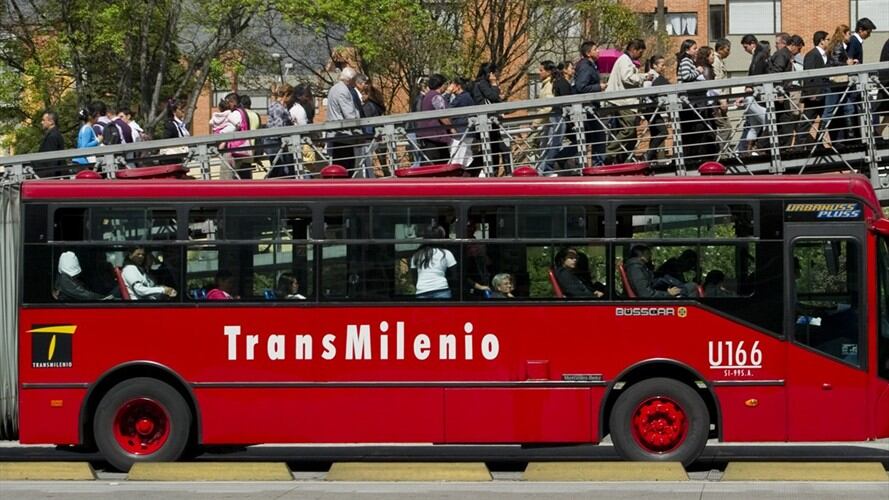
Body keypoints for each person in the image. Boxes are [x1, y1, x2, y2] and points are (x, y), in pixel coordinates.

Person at [604, 39, 651, 163]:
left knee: (631, 135)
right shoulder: (625, 60)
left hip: (623, 100)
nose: (640, 55)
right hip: (622, 101)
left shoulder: (625, 60)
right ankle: (609, 153)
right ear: (634, 50)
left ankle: (624, 160)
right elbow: (628, 78)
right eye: (640, 52)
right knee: (629, 130)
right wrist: (644, 76)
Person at [472, 62, 511, 175]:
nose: (497, 76)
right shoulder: (482, 83)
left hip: (491, 122)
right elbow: (493, 97)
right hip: (486, 123)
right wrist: (494, 85)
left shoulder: (482, 84)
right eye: (496, 73)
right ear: (490, 73)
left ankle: (496, 174)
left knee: (496, 149)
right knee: (497, 149)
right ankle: (502, 174)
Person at [574, 41, 605, 166]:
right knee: (598, 136)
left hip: (590, 107)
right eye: (595, 49)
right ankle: (597, 165)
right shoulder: (585, 66)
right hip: (586, 108)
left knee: (591, 137)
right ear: (588, 53)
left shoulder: (591, 66)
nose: (598, 51)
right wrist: (599, 87)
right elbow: (581, 87)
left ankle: (594, 164)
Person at [798, 31, 831, 148]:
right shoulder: (812, 55)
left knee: (825, 120)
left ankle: (819, 144)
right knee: (806, 123)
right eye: (828, 39)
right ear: (821, 41)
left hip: (824, 95)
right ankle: (799, 147)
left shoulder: (826, 55)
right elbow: (808, 76)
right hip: (814, 96)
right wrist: (811, 93)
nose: (829, 42)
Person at [326, 66, 361, 172]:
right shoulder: (343, 91)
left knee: (339, 168)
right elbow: (350, 115)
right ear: (350, 79)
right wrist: (359, 132)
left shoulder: (334, 88)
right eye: (354, 80)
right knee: (346, 168)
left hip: (337, 135)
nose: (355, 83)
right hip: (343, 136)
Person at [410, 223, 456, 299]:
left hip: (422, 291)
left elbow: (414, 278)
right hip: (442, 290)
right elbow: (455, 276)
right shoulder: (446, 253)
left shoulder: (416, 255)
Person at [417, 73, 456, 163]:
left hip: (427, 134)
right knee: (440, 160)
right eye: (445, 84)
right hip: (435, 135)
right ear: (441, 85)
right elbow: (442, 115)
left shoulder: (428, 96)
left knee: (433, 161)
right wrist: (451, 128)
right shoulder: (436, 97)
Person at [643, 55, 670, 163]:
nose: (664, 67)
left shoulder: (657, 77)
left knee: (655, 133)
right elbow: (647, 91)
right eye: (662, 65)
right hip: (650, 109)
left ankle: (650, 160)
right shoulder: (652, 76)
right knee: (663, 132)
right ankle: (648, 155)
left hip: (653, 108)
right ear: (654, 65)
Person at [266, 83, 296, 178]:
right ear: (287, 95)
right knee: (278, 169)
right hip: (275, 141)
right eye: (291, 96)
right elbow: (279, 126)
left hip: (276, 141)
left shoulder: (279, 106)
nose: (292, 99)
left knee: (281, 169)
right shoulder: (278, 107)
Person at [448, 77, 476, 168]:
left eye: (452, 84)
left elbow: (446, 109)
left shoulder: (462, 98)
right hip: (465, 132)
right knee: (466, 158)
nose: (450, 86)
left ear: (458, 86)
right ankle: (479, 176)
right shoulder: (465, 96)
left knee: (457, 158)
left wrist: (447, 93)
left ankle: (456, 179)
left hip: (461, 133)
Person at [36, 111, 67, 178]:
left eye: (43, 120)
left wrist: (47, 178)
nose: (42, 122)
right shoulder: (55, 134)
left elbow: (51, 160)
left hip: (51, 176)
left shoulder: (52, 136)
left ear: (51, 122)